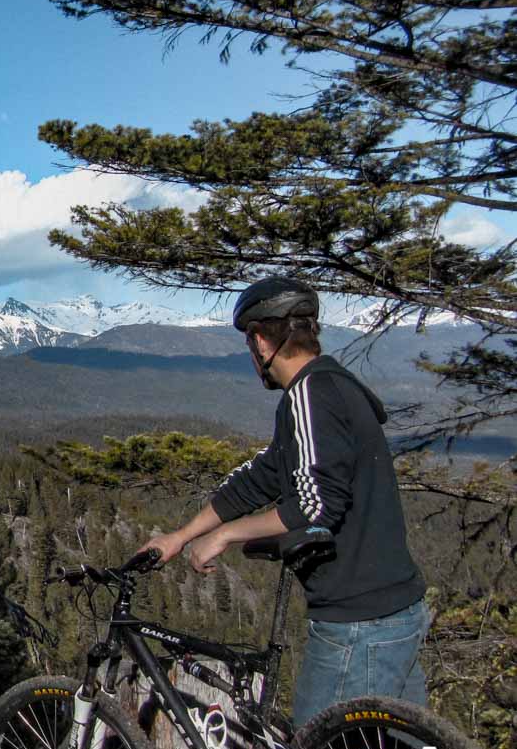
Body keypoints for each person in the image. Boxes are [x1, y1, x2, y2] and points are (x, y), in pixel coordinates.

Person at [140, 276, 428, 726]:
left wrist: (226, 535)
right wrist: (182, 535)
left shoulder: (310, 396)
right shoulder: (329, 387)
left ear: (259, 341)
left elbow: (314, 508)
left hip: (359, 621)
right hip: (391, 611)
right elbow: (261, 478)